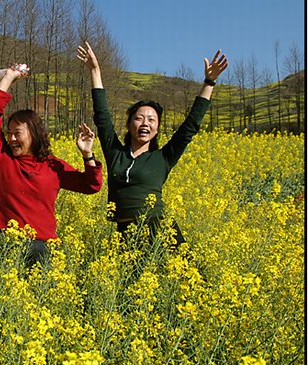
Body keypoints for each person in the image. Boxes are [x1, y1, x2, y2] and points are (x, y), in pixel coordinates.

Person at [77, 41, 228, 248]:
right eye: (139, 118)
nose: (145, 123)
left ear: (157, 129)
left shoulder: (162, 158)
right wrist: (95, 70)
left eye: (151, 120)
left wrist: (209, 82)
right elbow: (102, 116)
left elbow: (190, 126)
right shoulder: (115, 154)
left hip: (160, 230)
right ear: (129, 124)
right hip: (125, 235)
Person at [0, 64, 103, 267]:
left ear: (34, 133)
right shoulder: (3, 159)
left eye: (17, 133)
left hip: (43, 248)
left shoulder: (52, 166)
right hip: (6, 244)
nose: (11, 138)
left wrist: (87, 154)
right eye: (9, 132)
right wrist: (8, 78)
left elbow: (91, 186)